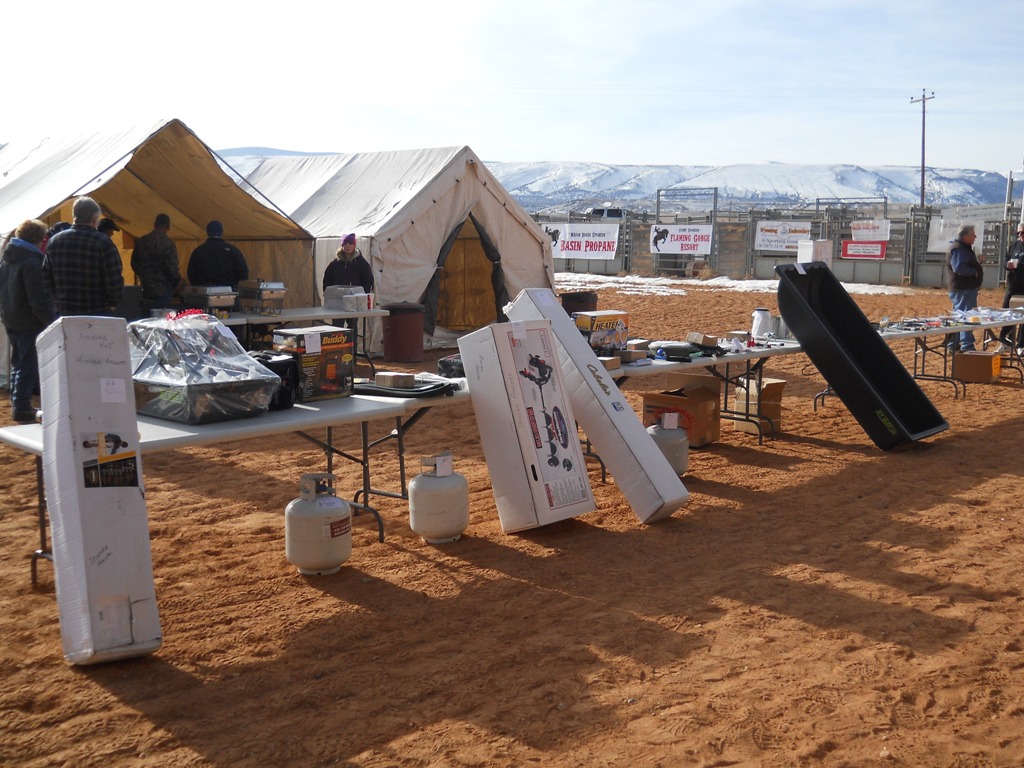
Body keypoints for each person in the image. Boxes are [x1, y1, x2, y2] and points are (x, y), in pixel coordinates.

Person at [0, 219, 58, 423]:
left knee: (19, 363)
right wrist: (51, 322)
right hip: (29, 321)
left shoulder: (8, 258)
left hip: (11, 318)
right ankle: (22, 406)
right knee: (27, 364)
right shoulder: (32, 262)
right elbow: (38, 299)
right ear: (40, 239)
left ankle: (19, 403)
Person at [42, 196, 124, 316]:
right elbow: (114, 279)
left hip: (66, 312)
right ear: (95, 219)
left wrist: (58, 301)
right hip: (97, 312)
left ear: (74, 216)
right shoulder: (103, 243)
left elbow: (46, 277)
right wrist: (112, 304)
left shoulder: (54, 242)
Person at [945, 224, 983, 353]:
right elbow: (959, 268)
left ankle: (953, 343)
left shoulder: (963, 248)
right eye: (973, 234)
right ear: (966, 236)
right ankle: (967, 346)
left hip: (963, 289)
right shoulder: (959, 249)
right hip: (963, 289)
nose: (975, 237)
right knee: (967, 316)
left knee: (959, 316)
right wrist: (975, 272)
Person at [131, 213, 181, 310]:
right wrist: (176, 284)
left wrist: (144, 275)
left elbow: (134, 263)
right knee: (161, 321)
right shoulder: (168, 244)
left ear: (154, 224)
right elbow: (173, 270)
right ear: (168, 227)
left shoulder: (142, 241)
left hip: (145, 288)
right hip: (163, 291)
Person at [187, 220, 249, 290]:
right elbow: (243, 274)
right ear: (222, 232)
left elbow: (191, 274)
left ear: (207, 232)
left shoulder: (198, 251)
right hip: (229, 292)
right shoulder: (233, 251)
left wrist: (199, 286)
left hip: (204, 292)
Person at [1000, 223, 1024, 347]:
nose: (1020, 235)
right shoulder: (1014, 245)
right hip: (1013, 284)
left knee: (1023, 316)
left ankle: (1021, 344)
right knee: (1007, 311)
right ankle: (1004, 338)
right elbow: (1005, 259)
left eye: (1023, 233)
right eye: (1018, 233)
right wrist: (1007, 265)